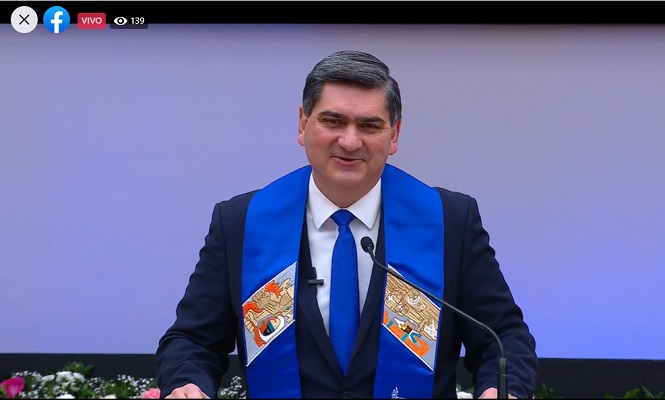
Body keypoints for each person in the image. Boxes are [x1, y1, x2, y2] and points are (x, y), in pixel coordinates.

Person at [155, 49, 538, 399]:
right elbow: (192, 340)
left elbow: (503, 337)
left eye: (370, 126)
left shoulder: (449, 221)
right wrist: (187, 383)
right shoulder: (241, 222)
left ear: (395, 135)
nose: (350, 141)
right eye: (333, 121)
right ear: (303, 124)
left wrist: (502, 389)